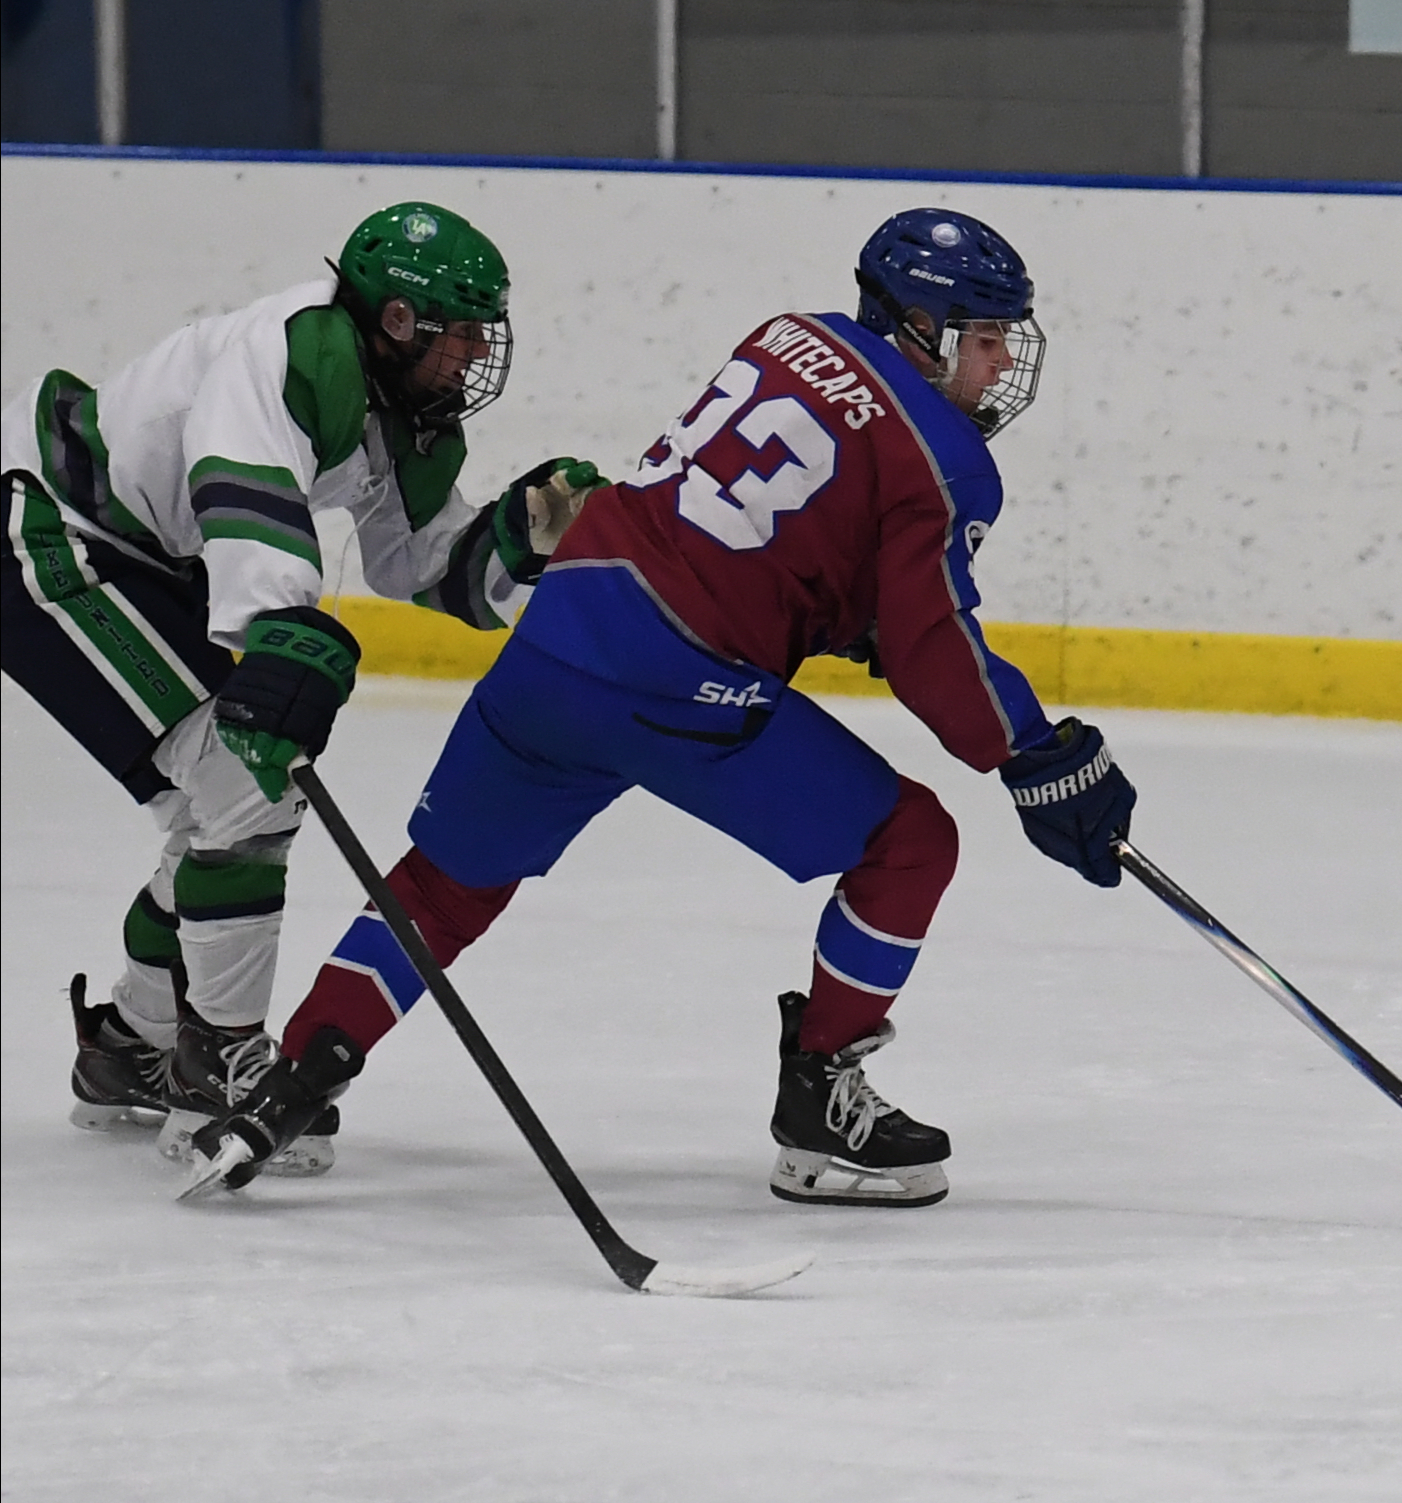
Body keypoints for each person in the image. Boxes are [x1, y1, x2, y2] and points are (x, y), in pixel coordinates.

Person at [183, 207, 1141, 1205]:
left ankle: (288, 1085)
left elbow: (761, 524)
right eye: (983, 339)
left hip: (558, 633)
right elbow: (930, 645)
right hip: (680, 674)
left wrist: (840, 609)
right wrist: (1036, 751)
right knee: (911, 842)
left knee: (444, 887)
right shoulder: (946, 456)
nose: (997, 368)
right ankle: (821, 1108)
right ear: (920, 328)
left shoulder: (787, 336)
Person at [3, 201, 603, 1174]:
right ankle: (216, 1063)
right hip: (53, 525)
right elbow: (243, 486)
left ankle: (128, 1045)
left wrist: (522, 535)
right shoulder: (295, 351)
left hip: (150, 555)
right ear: (396, 321)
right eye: (457, 335)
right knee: (246, 786)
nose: (469, 357)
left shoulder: (401, 413)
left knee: (223, 805)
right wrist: (282, 624)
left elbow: (422, 564)